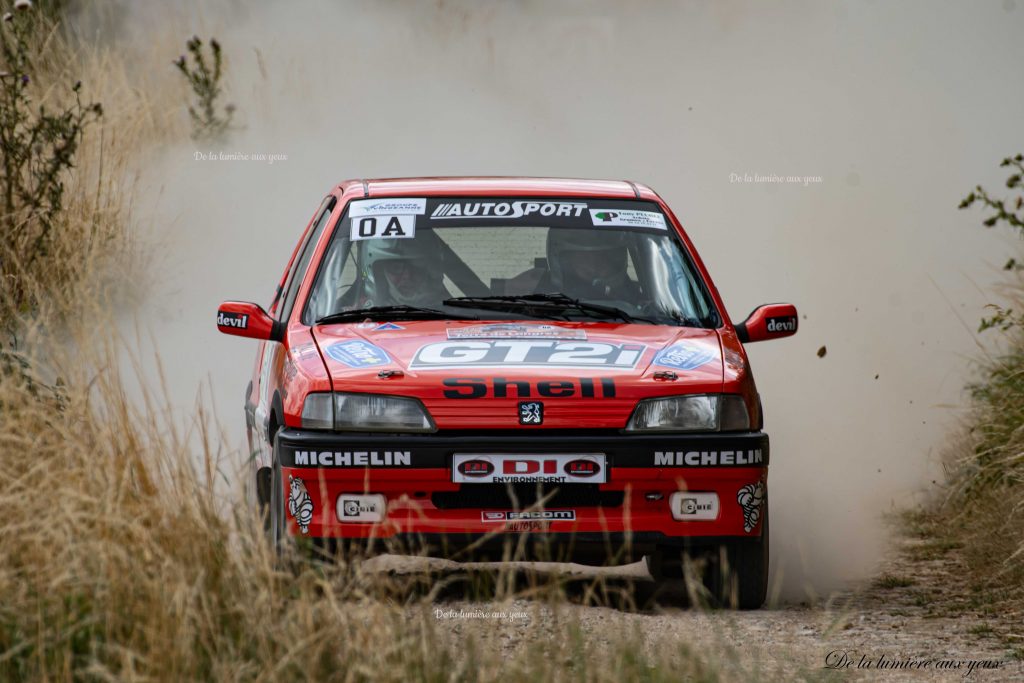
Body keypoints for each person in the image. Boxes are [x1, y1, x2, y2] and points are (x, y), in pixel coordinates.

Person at [543, 228, 641, 301]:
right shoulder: (538, 297)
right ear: (566, 260)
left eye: (605, 256)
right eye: (585, 257)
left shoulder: (641, 301)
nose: (596, 264)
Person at [359, 234, 451, 307]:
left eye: (416, 266)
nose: (407, 276)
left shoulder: (455, 310)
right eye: (396, 268)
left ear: (430, 269)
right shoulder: (360, 315)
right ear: (380, 272)